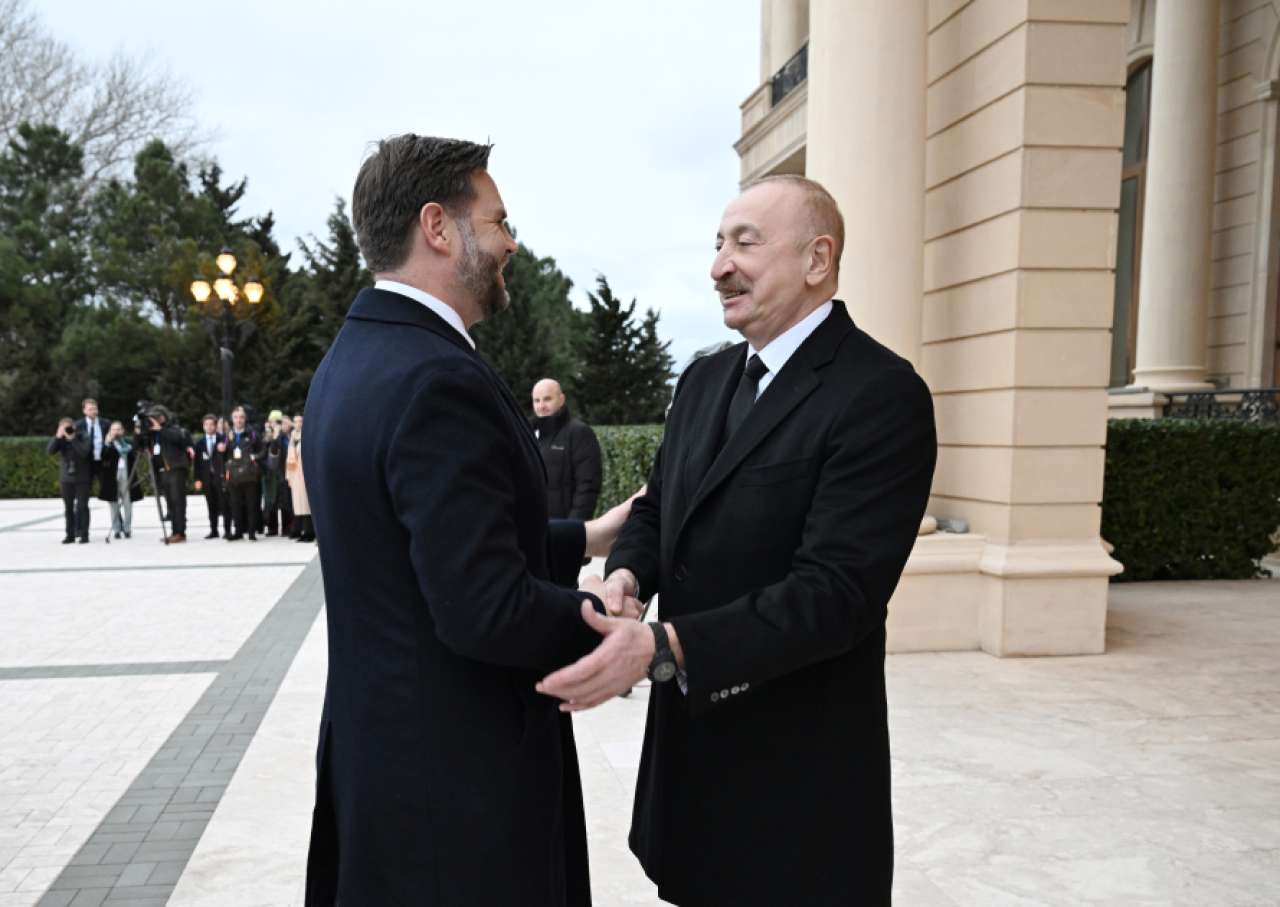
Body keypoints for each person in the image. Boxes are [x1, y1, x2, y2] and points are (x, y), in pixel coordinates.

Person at [537, 175, 938, 906]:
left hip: (797, 784)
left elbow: (837, 594)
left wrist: (664, 647)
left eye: (745, 244)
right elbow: (660, 509)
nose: (719, 266)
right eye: (718, 244)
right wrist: (628, 575)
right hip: (692, 768)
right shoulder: (703, 379)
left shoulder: (881, 394)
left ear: (817, 259)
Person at [302, 135, 639, 906]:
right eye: (497, 220)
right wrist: (601, 619)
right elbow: (481, 604)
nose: (511, 242)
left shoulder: (351, 359)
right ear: (438, 227)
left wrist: (586, 537)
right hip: (455, 792)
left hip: (382, 762)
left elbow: (422, 544)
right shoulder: (437, 378)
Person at [531, 378, 602, 520]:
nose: (541, 406)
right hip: (533, 526)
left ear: (561, 399)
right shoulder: (528, 433)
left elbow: (587, 486)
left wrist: (572, 527)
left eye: (547, 399)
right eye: (537, 401)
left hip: (563, 527)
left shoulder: (579, 433)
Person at [145, 406, 193, 543]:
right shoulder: (153, 433)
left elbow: (177, 439)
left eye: (155, 417)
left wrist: (161, 429)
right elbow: (140, 445)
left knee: (178, 501)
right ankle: (174, 531)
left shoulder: (174, 429)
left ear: (162, 417)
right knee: (170, 502)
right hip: (162, 471)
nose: (153, 421)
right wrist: (139, 431)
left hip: (176, 469)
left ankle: (180, 532)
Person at [47, 417, 92, 544]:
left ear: (74, 427)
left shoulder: (83, 436)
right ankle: (70, 535)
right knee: (68, 508)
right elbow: (50, 451)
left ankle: (84, 535)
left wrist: (72, 439)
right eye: (64, 427)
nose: (67, 430)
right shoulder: (60, 439)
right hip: (66, 479)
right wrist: (57, 436)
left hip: (82, 477)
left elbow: (84, 452)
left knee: (82, 506)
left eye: (69, 427)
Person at [224, 406, 263, 541]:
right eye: (236, 417)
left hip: (249, 475)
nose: (238, 420)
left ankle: (252, 532)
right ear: (232, 419)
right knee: (235, 505)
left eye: (241, 417)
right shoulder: (228, 435)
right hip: (233, 476)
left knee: (252, 504)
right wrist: (222, 448)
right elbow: (223, 455)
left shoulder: (253, 434)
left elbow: (262, 450)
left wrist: (254, 457)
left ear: (245, 419)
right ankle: (238, 531)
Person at [98, 421, 141, 539]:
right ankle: (116, 529)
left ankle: (127, 528)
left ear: (122, 431)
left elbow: (135, 455)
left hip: (127, 476)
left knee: (128, 504)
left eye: (118, 429)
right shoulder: (107, 444)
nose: (116, 431)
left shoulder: (128, 444)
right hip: (112, 478)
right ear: (110, 431)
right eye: (113, 429)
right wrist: (107, 443)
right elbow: (103, 457)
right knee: (113, 505)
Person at [192, 414, 226, 539]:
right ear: (203, 426)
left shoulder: (222, 439)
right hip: (206, 478)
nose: (209, 427)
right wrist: (197, 479)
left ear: (216, 426)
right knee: (211, 505)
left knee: (224, 504)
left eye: (212, 424)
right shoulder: (200, 443)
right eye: (206, 424)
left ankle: (227, 530)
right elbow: (197, 463)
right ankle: (213, 530)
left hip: (220, 477)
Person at [263, 410, 295, 537]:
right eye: (273, 421)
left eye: (278, 422)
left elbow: (286, 450)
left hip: (282, 472)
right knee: (270, 502)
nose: (275, 424)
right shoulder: (266, 435)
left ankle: (286, 528)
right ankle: (272, 528)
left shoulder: (284, 436)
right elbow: (264, 450)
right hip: (269, 474)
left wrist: (278, 435)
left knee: (284, 501)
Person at [285, 413, 314, 543]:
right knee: (298, 505)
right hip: (295, 476)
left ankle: (309, 532)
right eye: (295, 421)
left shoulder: (307, 436)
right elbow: (289, 458)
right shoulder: (293, 437)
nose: (298, 424)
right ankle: (301, 530)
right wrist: (288, 476)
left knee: (306, 505)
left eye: (300, 421)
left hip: (304, 475)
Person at [80, 398, 111, 487]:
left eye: (95, 409)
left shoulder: (106, 423)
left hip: (103, 461)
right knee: (85, 488)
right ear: (84, 411)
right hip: (85, 463)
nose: (93, 411)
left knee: (106, 487)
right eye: (90, 409)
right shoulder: (78, 425)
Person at [214, 417, 234, 538]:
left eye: (224, 423)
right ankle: (227, 530)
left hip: (232, 473)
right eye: (220, 423)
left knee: (233, 503)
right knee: (224, 505)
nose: (222, 426)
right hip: (219, 475)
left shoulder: (231, 437)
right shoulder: (215, 439)